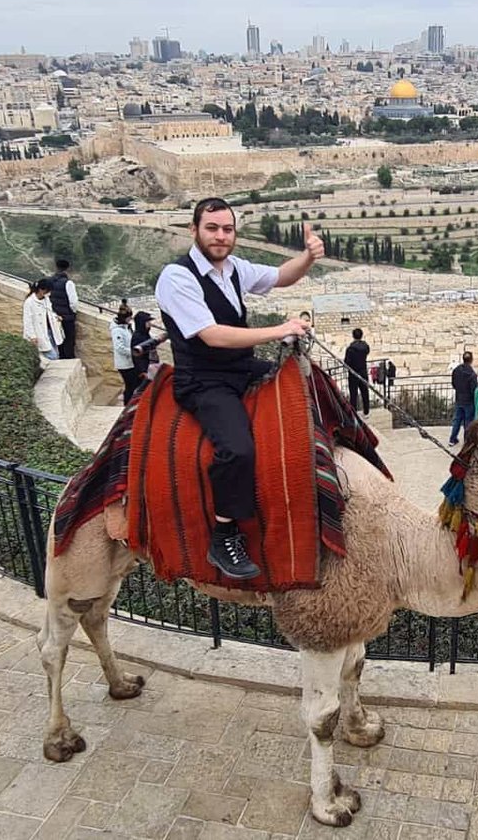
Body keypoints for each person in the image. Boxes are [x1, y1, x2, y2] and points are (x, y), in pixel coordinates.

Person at [153, 197, 322, 581]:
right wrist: (279, 330)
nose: (220, 236)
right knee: (238, 449)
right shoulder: (177, 278)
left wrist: (308, 257)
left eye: (227, 229)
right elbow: (211, 336)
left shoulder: (233, 269)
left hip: (240, 367)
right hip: (204, 379)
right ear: (194, 230)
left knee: (305, 387)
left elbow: (281, 276)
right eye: (211, 228)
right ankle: (224, 534)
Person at [22, 279, 64, 360]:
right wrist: (32, 336)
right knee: (53, 356)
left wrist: (56, 317)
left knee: (56, 354)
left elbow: (49, 312)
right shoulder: (29, 302)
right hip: (39, 333)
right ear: (41, 290)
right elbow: (27, 321)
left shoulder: (46, 299)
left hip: (50, 331)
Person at [47, 258, 78, 359]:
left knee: (57, 338)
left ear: (56, 267)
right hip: (67, 317)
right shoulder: (68, 283)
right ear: (67, 269)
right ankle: (69, 359)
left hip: (54, 316)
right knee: (69, 339)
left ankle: (60, 358)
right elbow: (73, 302)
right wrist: (72, 313)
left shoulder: (49, 281)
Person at [111, 302, 139, 404]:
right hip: (124, 364)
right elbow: (120, 348)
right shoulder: (117, 331)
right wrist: (132, 352)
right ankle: (127, 404)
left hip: (130, 362)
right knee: (130, 386)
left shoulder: (127, 328)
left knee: (133, 384)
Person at [449, 351, 477, 445]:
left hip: (459, 399)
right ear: (471, 360)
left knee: (457, 420)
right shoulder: (472, 374)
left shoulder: (456, 370)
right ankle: (466, 441)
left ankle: (452, 439)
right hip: (468, 401)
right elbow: (473, 389)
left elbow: (453, 383)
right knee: (468, 422)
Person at [343, 327, 371, 416]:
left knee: (353, 394)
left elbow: (346, 362)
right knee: (365, 392)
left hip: (353, 373)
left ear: (353, 336)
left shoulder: (350, 349)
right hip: (363, 371)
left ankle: (354, 413)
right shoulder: (365, 347)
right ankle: (366, 411)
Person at [130, 310, 160, 382]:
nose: (150, 323)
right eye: (147, 322)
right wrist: (143, 371)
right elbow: (137, 356)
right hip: (144, 371)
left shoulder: (145, 334)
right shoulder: (138, 337)